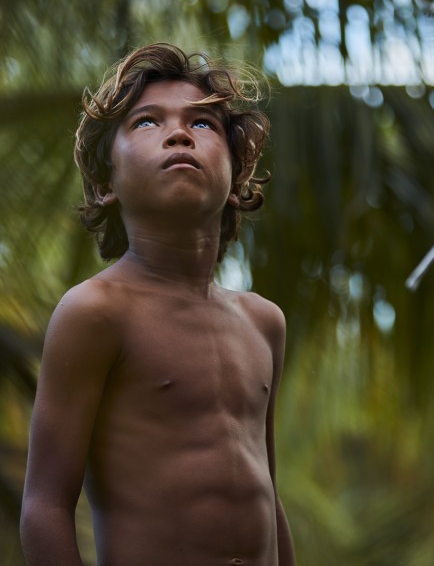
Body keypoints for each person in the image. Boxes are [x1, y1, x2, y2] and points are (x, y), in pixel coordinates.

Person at [20, 43, 295, 566]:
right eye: (147, 123)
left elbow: (268, 495)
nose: (179, 133)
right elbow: (44, 506)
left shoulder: (264, 323)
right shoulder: (96, 313)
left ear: (237, 180)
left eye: (205, 124)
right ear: (105, 184)